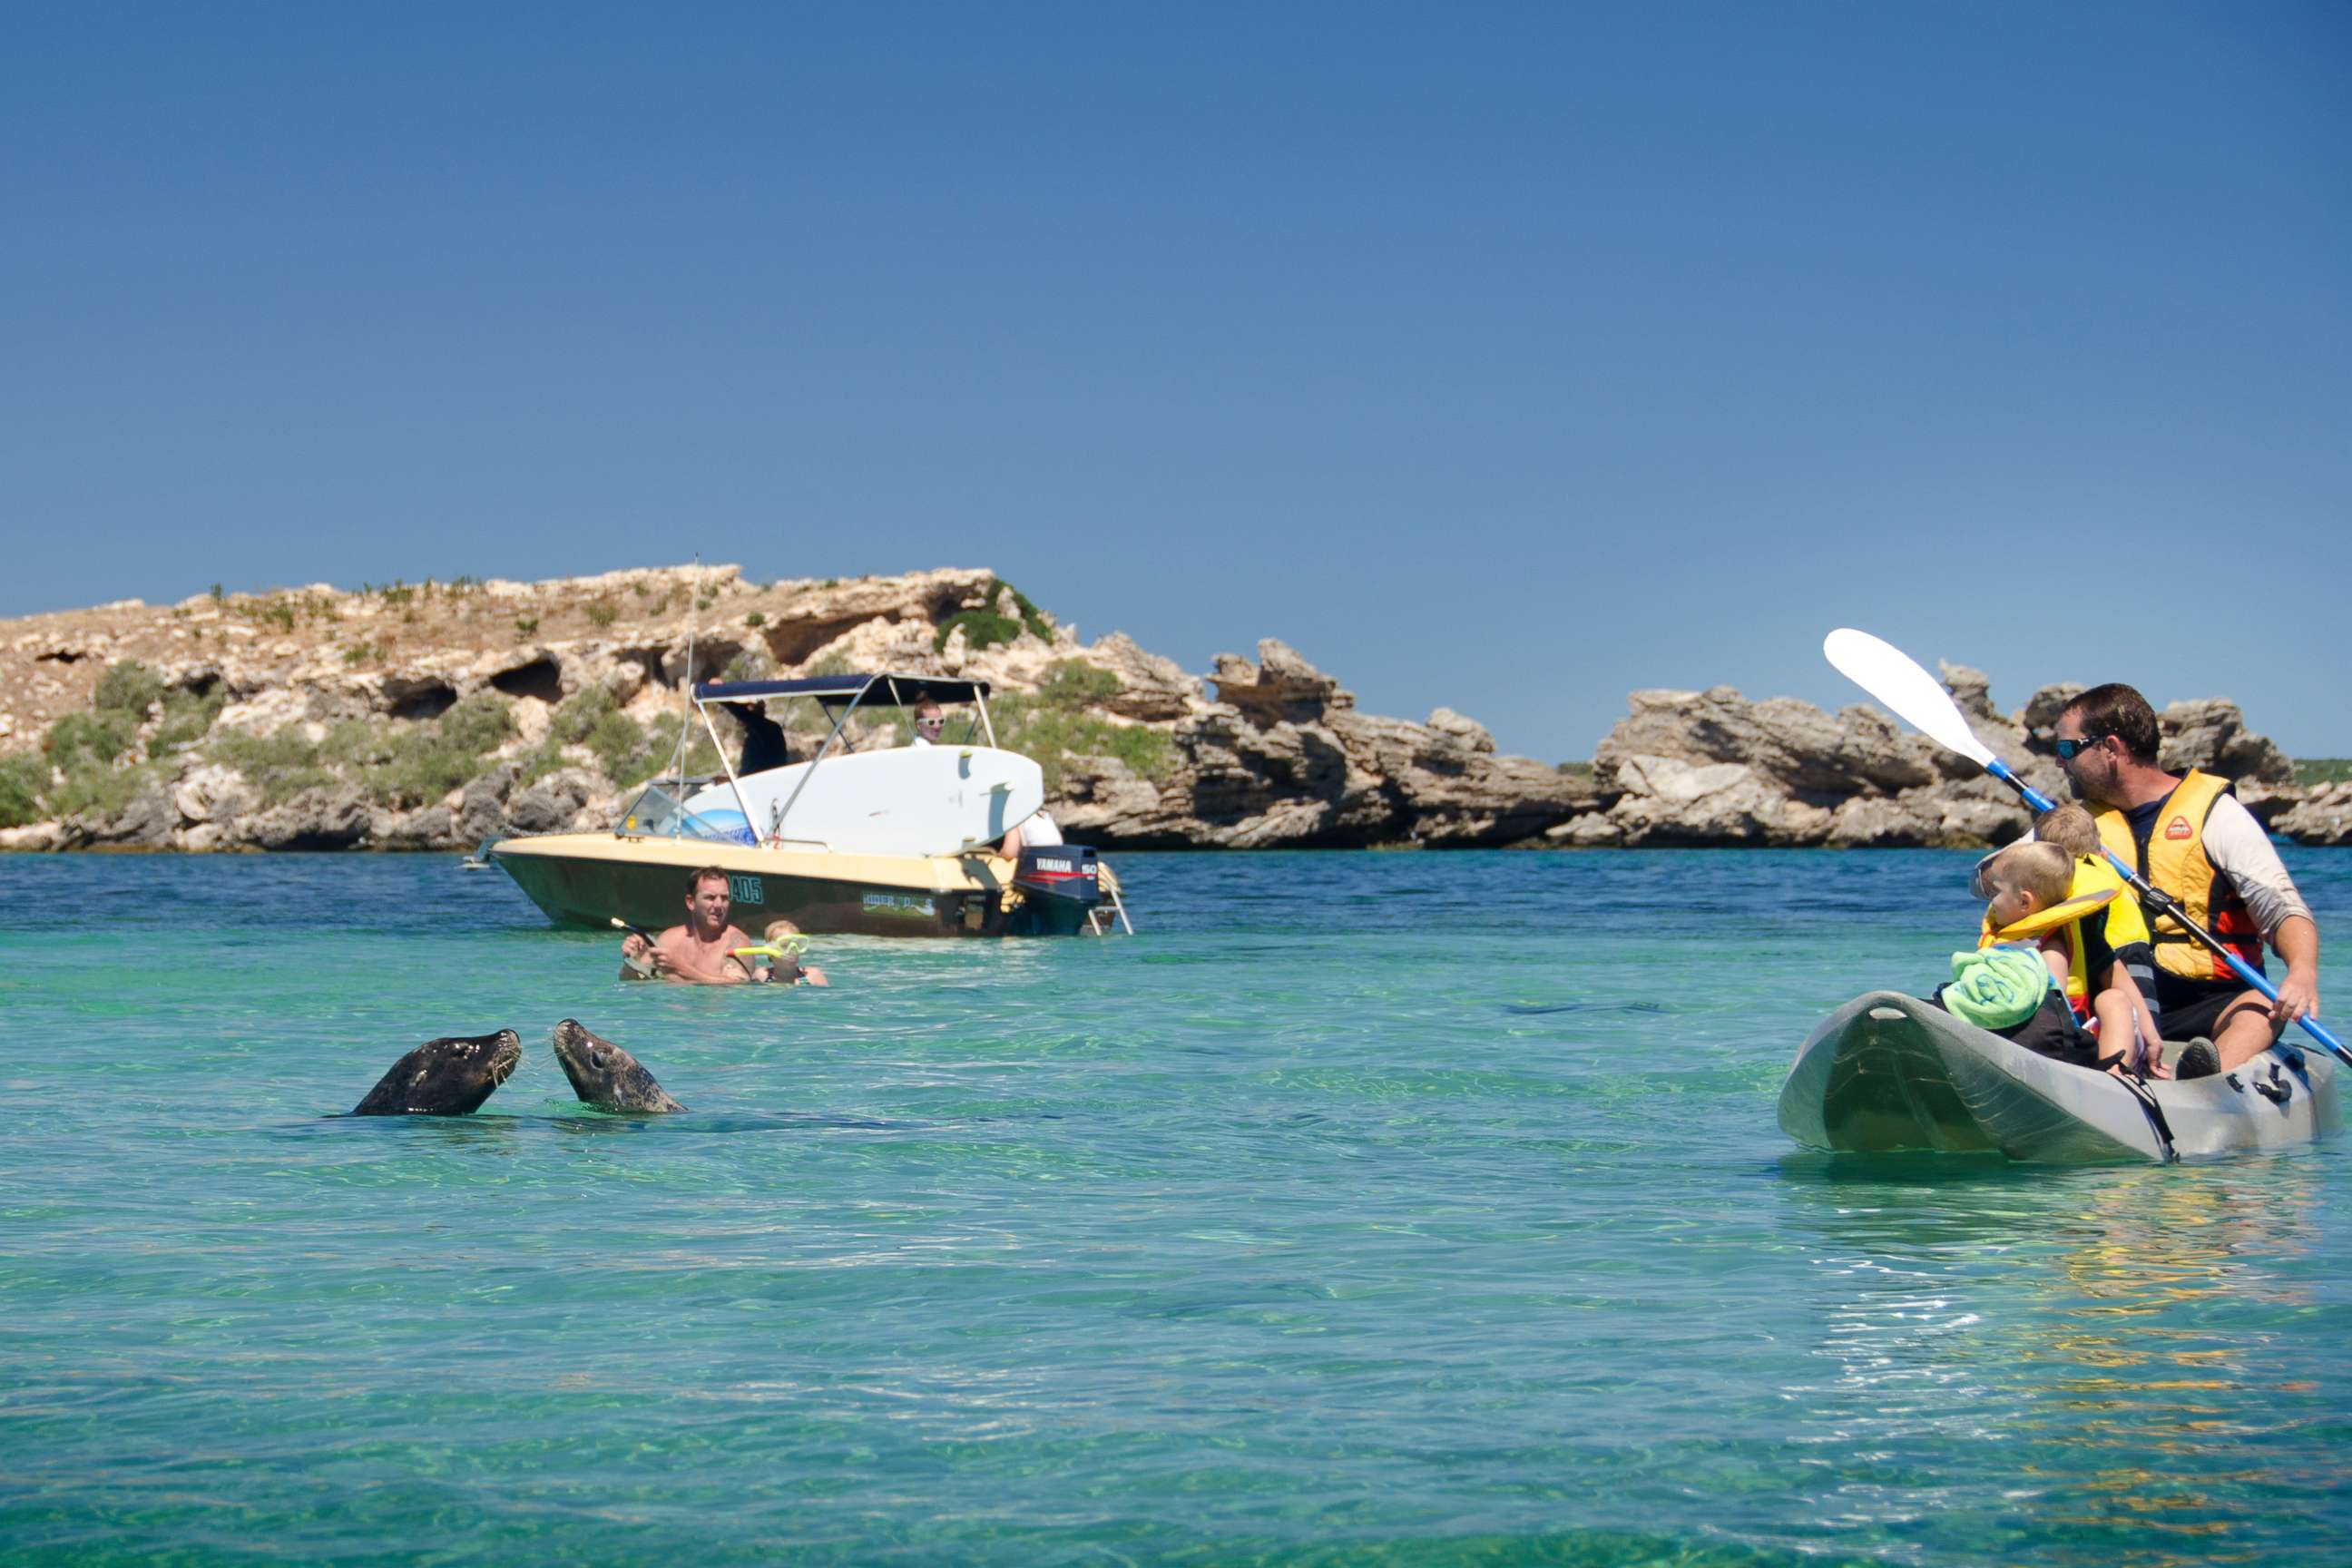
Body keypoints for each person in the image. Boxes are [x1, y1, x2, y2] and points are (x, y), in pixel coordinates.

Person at [2053, 682, 2321, 1079]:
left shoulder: (2216, 815)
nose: (2060, 763)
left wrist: (2302, 972)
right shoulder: (2076, 824)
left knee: (2262, 1009)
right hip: (2116, 999)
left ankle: (2202, 1081)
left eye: (2066, 749)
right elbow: (1994, 883)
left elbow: (2280, 907)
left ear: (2111, 748)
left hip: (2212, 1001)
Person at [1974, 836, 2165, 1078]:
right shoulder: (2002, 937)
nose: (1991, 902)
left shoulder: (2053, 946)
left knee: (2113, 1000)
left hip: (2067, 1042)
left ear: (2024, 901)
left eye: (1995, 893)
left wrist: (2151, 1036)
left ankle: (2116, 1075)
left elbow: (2053, 1011)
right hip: (2027, 1039)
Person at [619, 867, 760, 985]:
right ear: (690, 902)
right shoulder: (670, 940)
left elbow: (738, 989)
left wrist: (680, 968)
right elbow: (631, 983)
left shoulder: (736, 942)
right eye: (710, 898)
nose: (718, 905)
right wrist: (633, 959)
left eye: (724, 898)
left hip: (716, 1017)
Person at [755, 919, 830, 987]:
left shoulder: (812, 976)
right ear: (769, 951)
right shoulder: (761, 976)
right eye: (784, 946)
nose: (792, 951)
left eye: (796, 945)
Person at [998, 807, 1063, 860]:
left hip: (1037, 863)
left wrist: (1000, 855)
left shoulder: (1012, 815)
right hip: (1059, 860)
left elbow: (1010, 853)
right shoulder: (1044, 814)